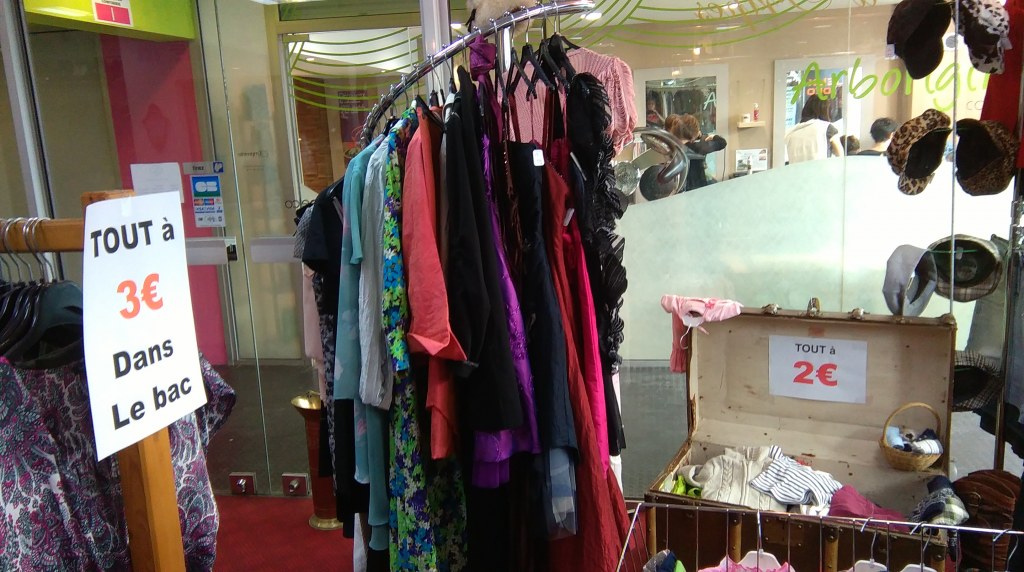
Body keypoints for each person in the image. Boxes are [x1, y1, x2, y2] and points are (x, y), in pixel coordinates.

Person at [667, 113, 727, 190]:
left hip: (678, 188)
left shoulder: (672, 147)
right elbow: (722, 143)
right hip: (697, 188)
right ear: (695, 133)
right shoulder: (698, 147)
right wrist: (713, 136)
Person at [784, 96, 843, 163]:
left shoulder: (790, 133)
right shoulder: (827, 128)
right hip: (820, 169)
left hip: (796, 169)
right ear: (825, 111)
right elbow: (840, 156)